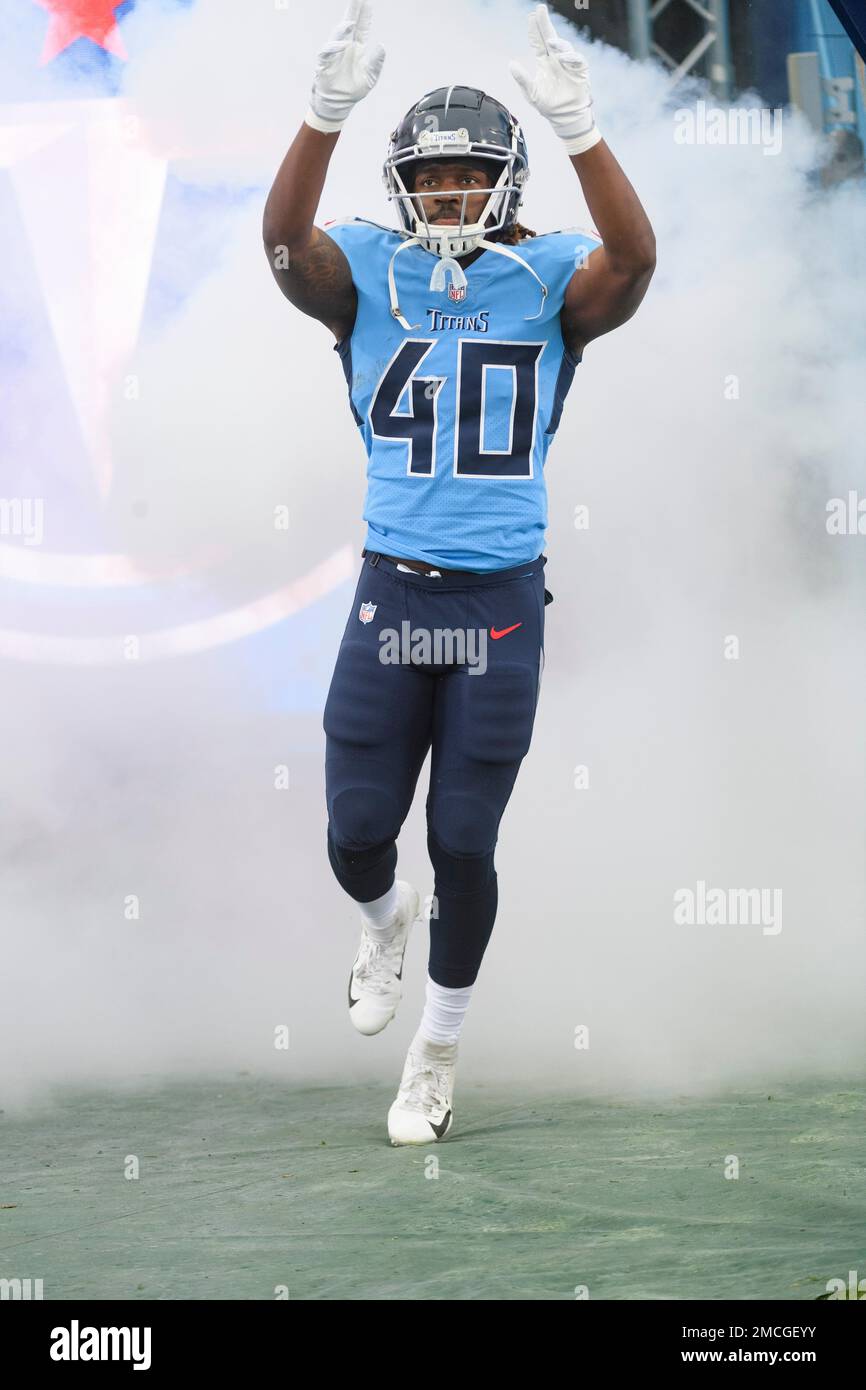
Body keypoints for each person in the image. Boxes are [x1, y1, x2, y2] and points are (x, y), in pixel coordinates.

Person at [263, 0, 655, 1145]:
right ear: (403, 184)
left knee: (467, 840)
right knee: (353, 832)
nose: (443, 192)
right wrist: (319, 116)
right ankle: (383, 924)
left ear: (502, 180)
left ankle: (435, 1051)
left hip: (494, 604)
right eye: (428, 175)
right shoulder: (369, 270)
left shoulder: (544, 276)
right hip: (394, 592)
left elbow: (632, 259)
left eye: (464, 174)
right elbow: (283, 249)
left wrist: (583, 129)